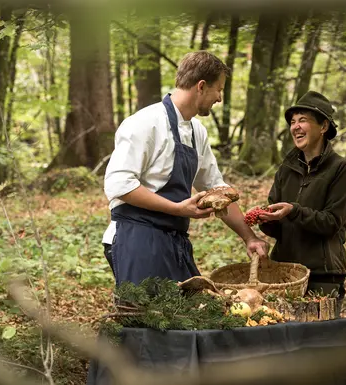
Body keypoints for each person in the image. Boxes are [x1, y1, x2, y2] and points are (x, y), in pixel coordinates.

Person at [102, 51, 269, 286]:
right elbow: (119, 185)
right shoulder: (144, 123)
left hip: (175, 242)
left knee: (192, 315)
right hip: (136, 238)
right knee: (147, 320)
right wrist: (177, 208)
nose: (220, 98)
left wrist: (249, 237)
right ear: (201, 86)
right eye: (218, 89)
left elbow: (215, 187)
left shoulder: (196, 131)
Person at [258, 91, 346, 314]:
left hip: (322, 275)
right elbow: (279, 226)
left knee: (319, 344)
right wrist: (265, 219)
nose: (295, 127)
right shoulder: (286, 169)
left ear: (323, 127)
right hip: (284, 275)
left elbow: (332, 222)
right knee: (283, 341)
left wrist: (293, 211)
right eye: (293, 122)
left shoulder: (341, 169)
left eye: (303, 120)